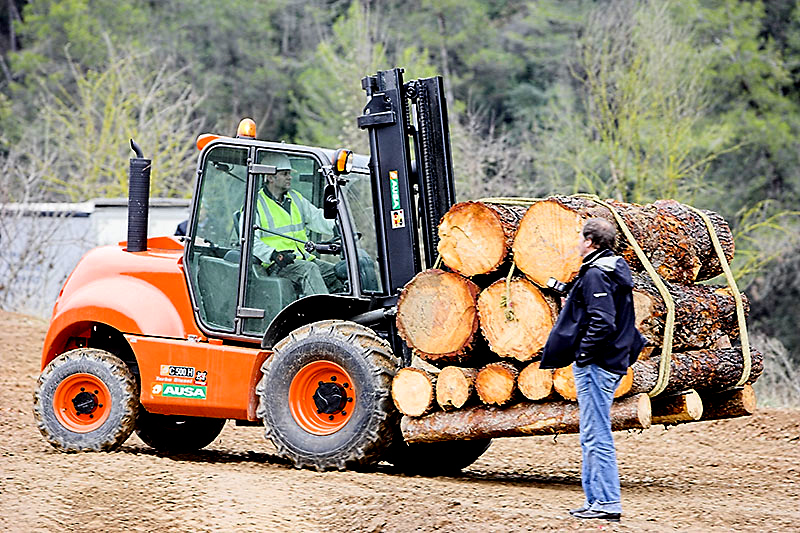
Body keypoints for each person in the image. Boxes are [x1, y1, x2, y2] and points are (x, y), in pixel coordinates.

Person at [540, 217, 646, 523]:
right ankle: (595, 500)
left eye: (579, 238)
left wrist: (584, 355)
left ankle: (607, 503)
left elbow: (603, 320)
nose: (576, 243)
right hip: (608, 362)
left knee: (596, 434)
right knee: (591, 432)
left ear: (589, 242)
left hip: (598, 366)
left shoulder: (597, 274)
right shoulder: (610, 269)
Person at [251, 152, 340, 296]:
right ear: (270, 177)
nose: (289, 177)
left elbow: (317, 217)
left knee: (339, 272)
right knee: (309, 270)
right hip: (276, 265)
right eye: (285, 173)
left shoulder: (295, 198)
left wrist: (338, 227)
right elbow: (250, 242)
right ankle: (325, 316)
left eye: (289, 173)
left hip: (301, 259)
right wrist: (274, 255)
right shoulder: (255, 205)